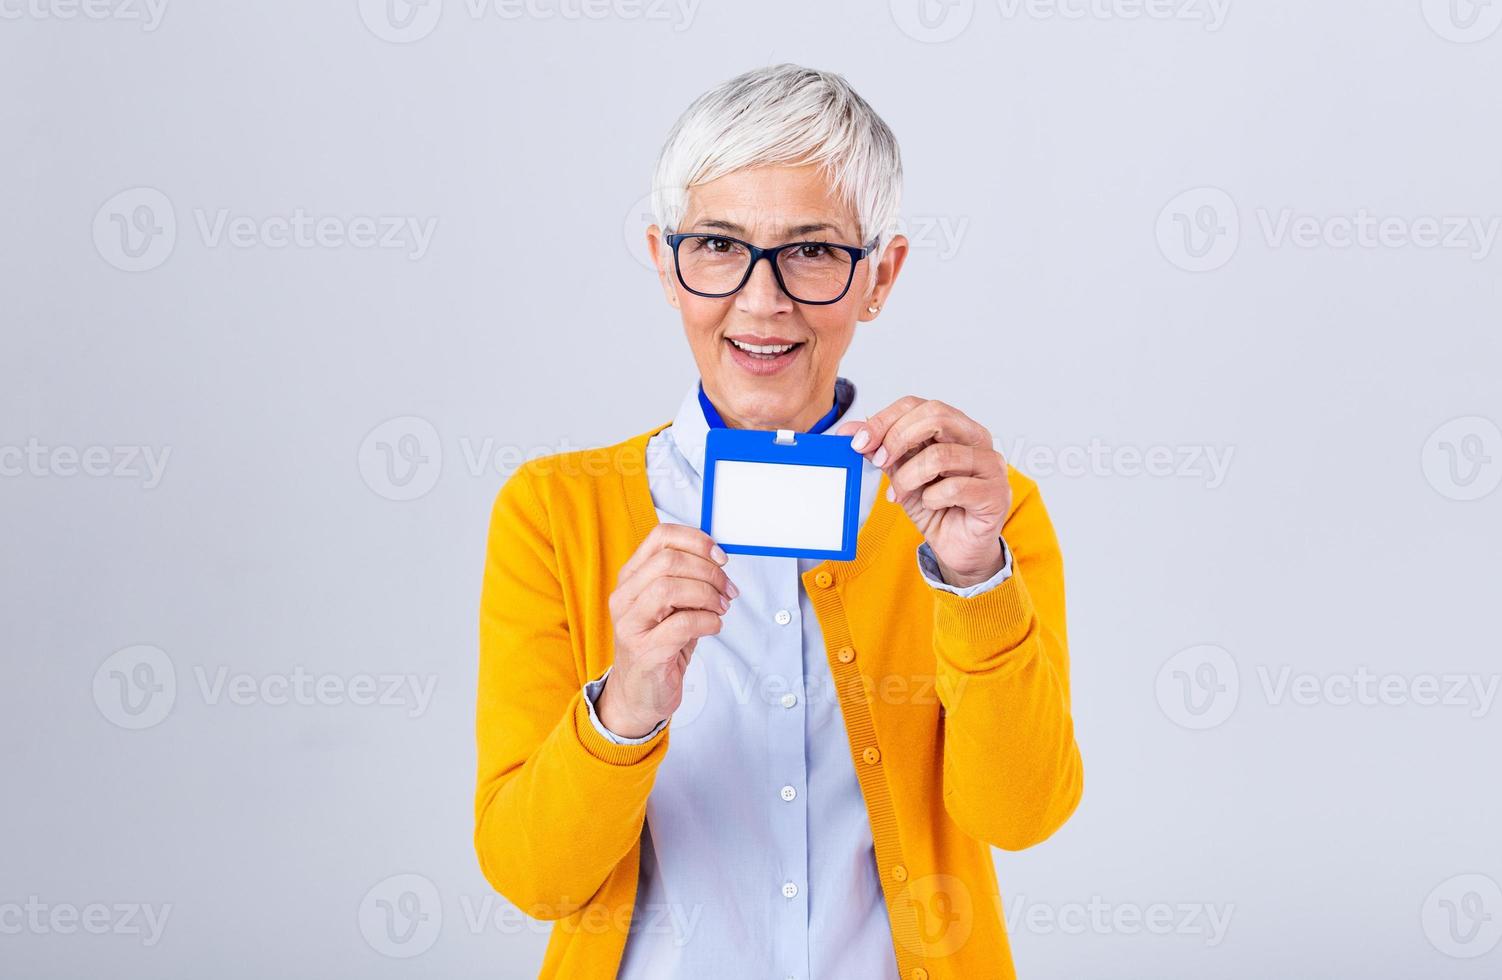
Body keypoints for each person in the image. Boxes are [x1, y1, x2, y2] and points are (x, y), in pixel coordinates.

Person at [475, 63, 1083, 980]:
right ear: (664, 263)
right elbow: (534, 879)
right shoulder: (555, 512)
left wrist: (975, 582)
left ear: (880, 276)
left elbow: (1021, 815)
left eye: (812, 251)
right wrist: (626, 704)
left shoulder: (975, 512)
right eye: (718, 245)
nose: (762, 301)